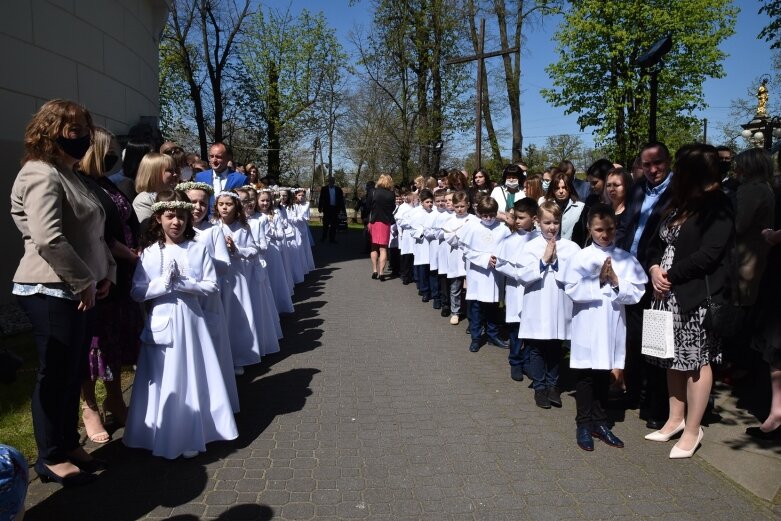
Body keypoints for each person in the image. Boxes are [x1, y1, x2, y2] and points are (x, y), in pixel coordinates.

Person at [11, 99, 115, 486]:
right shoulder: (39, 173)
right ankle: (50, 457)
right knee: (55, 375)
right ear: (50, 131)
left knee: (73, 373)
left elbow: (93, 234)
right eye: (74, 130)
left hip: (79, 288)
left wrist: (107, 273)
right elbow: (48, 238)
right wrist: (83, 280)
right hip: (50, 289)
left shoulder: (69, 173)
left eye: (85, 130)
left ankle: (68, 443)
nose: (84, 138)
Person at [124, 191, 238, 459]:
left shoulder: (197, 249)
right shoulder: (151, 253)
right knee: (164, 377)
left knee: (193, 372)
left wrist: (185, 283)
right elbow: (137, 291)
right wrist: (162, 284)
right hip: (162, 322)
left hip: (192, 321)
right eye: (170, 216)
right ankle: (157, 432)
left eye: (181, 217)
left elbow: (211, 284)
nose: (176, 222)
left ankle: (192, 431)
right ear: (159, 219)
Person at [645, 143, 734, 459]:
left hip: (694, 295)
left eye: (681, 167)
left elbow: (711, 255)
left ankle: (694, 429)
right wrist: (655, 268)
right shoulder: (679, 201)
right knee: (672, 359)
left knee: (696, 362)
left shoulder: (718, 205)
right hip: (665, 292)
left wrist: (671, 275)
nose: (675, 172)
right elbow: (654, 242)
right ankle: (675, 420)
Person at [559, 204, 647, 451]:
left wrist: (617, 281)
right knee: (586, 374)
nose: (605, 235)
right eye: (599, 229)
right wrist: (598, 280)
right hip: (587, 323)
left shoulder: (624, 258)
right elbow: (572, 290)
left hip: (611, 323)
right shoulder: (580, 257)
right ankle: (583, 424)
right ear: (589, 228)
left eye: (610, 229)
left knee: (603, 373)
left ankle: (600, 422)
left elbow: (637, 292)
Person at [77, 127, 142, 442]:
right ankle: (89, 406)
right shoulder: (81, 185)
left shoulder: (106, 183)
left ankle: (114, 397)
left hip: (121, 275)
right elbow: (99, 234)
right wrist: (128, 255)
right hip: (99, 271)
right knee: (94, 344)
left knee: (114, 341)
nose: (114, 156)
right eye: (109, 150)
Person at [615, 142, 674, 429]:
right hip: (631, 274)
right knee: (634, 340)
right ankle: (633, 393)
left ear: (668, 160)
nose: (652, 169)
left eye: (658, 163)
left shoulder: (678, 192)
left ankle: (656, 407)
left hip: (658, 279)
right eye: (647, 164)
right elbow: (626, 225)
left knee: (656, 343)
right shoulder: (638, 188)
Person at [514, 201, 580, 409]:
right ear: (537, 222)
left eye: (556, 222)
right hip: (537, 302)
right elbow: (521, 274)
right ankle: (539, 386)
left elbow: (576, 276)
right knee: (536, 348)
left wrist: (558, 262)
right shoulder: (530, 247)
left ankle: (553, 386)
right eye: (547, 222)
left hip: (559, 304)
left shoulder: (570, 247)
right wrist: (543, 260)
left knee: (554, 346)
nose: (552, 227)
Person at [181, 181, 240, 413]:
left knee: (211, 346)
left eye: (202, 203)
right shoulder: (177, 229)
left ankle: (214, 403)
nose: (197, 207)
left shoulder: (213, 230)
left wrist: (203, 257)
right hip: (185, 298)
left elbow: (224, 266)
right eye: (192, 202)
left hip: (208, 297)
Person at [723, 148, 775, 373]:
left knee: (738, 317)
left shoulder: (751, 190)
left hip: (743, 261)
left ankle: (736, 365)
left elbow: (739, 225)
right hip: (755, 257)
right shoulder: (766, 188)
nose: (736, 169)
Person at [214, 190, 276, 373]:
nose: (225, 207)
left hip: (236, 276)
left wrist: (236, 249)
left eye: (229, 204)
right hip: (218, 276)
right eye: (221, 204)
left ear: (236, 206)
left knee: (237, 316)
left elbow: (253, 250)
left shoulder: (243, 227)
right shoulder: (213, 226)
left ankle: (239, 356)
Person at [495, 198, 539, 381]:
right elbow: (499, 263)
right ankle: (515, 362)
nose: (517, 221)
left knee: (531, 331)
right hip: (515, 289)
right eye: (516, 217)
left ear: (534, 218)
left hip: (534, 290)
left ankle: (528, 362)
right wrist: (519, 273)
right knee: (516, 330)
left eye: (521, 218)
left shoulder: (540, 239)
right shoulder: (510, 240)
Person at [458, 196, 510, 353]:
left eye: (492, 215)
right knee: (476, 308)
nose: (488, 219)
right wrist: (484, 258)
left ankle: (493, 335)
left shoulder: (503, 229)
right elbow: (465, 249)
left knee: (493, 307)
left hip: (495, 274)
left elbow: (509, 248)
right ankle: (475, 337)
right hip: (478, 273)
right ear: (478, 213)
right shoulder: (471, 227)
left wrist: (499, 259)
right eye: (485, 215)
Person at [443, 191, 477, 324]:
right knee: (455, 287)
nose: (459, 209)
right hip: (455, 257)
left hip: (470, 257)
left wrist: (459, 233)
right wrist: (461, 231)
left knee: (470, 287)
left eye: (462, 206)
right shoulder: (449, 221)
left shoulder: (474, 220)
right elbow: (450, 239)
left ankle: (470, 313)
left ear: (468, 205)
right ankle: (455, 312)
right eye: (456, 206)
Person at [194, 142, 248, 208]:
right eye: (211, 156)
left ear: (228, 158)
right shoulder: (200, 177)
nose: (214, 160)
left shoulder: (240, 179)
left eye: (218, 157)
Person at [132, 152, 179, 227]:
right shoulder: (144, 200)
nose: (175, 174)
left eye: (174, 170)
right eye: (170, 170)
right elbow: (148, 230)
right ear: (154, 173)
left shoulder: (175, 195)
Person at [545, 172, 586, 246]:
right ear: (552, 190)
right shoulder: (545, 207)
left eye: (564, 187)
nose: (561, 191)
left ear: (569, 188)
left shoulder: (581, 207)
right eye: (557, 188)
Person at [368, 174, 396, 280]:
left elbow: (368, 206)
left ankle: (374, 270)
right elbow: (393, 208)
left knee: (374, 247)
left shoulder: (373, 192)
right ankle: (382, 273)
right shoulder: (391, 194)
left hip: (374, 221)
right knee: (383, 249)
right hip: (385, 222)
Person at [318, 176, 346, 243]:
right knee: (326, 224)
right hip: (327, 209)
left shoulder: (338, 189)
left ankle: (332, 239)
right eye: (330, 181)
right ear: (328, 181)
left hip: (335, 209)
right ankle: (324, 237)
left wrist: (342, 209)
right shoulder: (324, 189)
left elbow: (341, 200)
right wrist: (320, 207)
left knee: (334, 225)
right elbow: (321, 199)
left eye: (333, 181)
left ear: (334, 182)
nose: (331, 182)